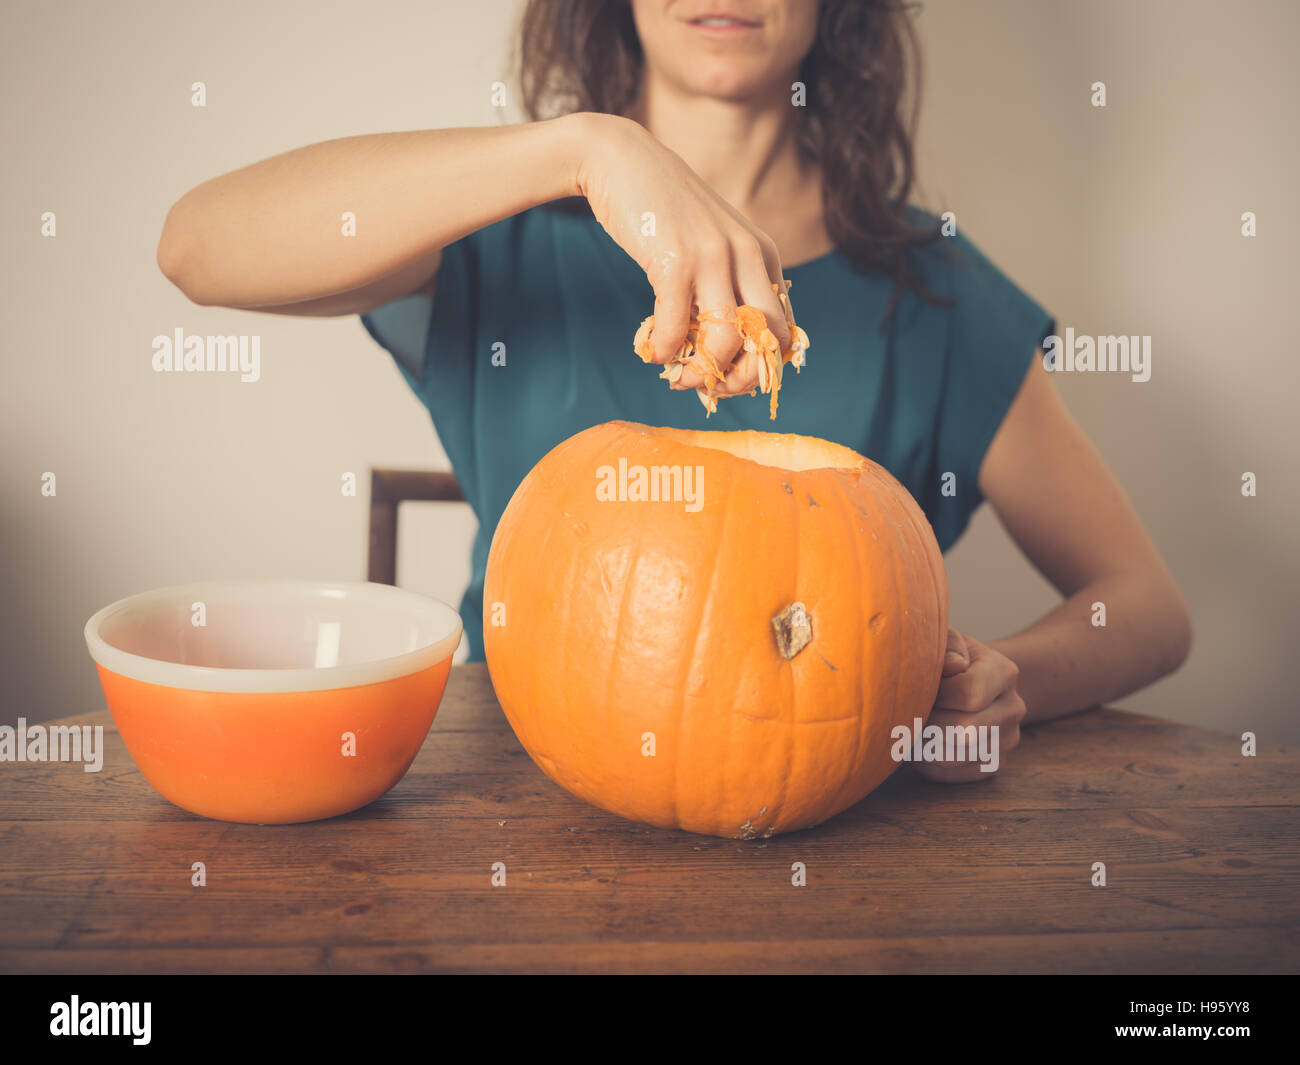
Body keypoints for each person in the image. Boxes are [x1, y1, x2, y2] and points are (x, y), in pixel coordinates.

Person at [155, 0, 1191, 782]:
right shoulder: (495, 234)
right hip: (507, 793)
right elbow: (197, 247)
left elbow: (1144, 608)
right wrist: (586, 151)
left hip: (845, 824)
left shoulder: (938, 293)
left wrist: (1003, 678)